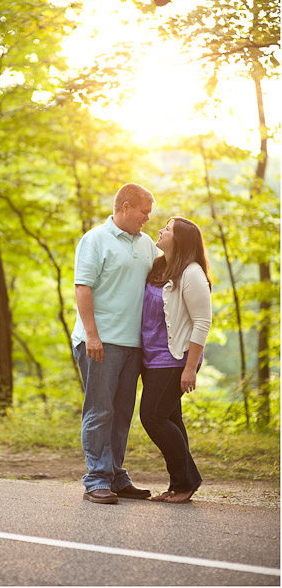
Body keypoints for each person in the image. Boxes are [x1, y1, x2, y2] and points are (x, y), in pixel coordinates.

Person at [72, 183, 158, 504]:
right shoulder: (95, 239)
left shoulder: (146, 243)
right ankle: (96, 478)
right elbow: (83, 287)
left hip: (133, 346)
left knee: (122, 413)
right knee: (100, 410)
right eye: (143, 212)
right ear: (125, 208)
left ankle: (115, 474)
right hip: (100, 342)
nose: (147, 218)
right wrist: (92, 334)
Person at [139, 217, 212, 503]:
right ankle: (180, 483)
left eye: (167, 229)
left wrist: (190, 368)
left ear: (180, 240)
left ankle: (187, 481)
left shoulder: (191, 273)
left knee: (153, 416)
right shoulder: (159, 267)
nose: (160, 230)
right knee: (170, 419)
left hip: (176, 358)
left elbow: (202, 322)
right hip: (152, 358)